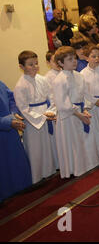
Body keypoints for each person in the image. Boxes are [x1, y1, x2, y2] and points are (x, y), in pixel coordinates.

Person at [52, 46, 99, 178]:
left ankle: (88, 164)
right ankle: (75, 168)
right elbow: (63, 103)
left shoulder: (79, 76)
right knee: (74, 142)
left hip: (80, 113)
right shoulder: (59, 80)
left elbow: (85, 94)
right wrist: (79, 114)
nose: (74, 61)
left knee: (85, 140)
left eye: (74, 58)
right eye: (69, 59)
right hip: (70, 116)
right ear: (60, 63)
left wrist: (85, 109)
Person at [14, 51, 58, 184]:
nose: (35, 66)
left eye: (36, 63)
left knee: (50, 144)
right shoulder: (20, 86)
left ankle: (53, 169)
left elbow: (52, 97)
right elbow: (23, 109)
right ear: (21, 67)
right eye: (30, 64)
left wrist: (52, 111)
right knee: (37, 148)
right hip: (34, 121)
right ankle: (38, 175)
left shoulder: (42, 79)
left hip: (47, 113)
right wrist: (42, 117)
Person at [0, 80, 32, 203]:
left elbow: (11, 97)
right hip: (5, 129)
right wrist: (8, 122)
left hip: (11, 132)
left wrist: (14, 113)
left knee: (16, 165)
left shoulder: (1, 83)